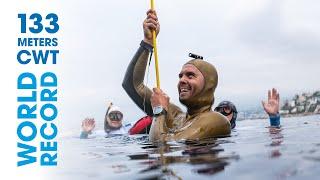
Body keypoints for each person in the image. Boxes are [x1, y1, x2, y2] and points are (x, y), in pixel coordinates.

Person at [122, 9, 230, 142]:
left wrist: (159, 111)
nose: (182, 80)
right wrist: (148, 42)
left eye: (190, 76)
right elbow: (132, 85)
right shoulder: (177, 116)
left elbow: (163, 146)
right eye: (180, 76)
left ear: (209, 84)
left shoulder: (215, 120)